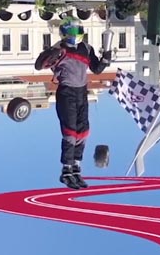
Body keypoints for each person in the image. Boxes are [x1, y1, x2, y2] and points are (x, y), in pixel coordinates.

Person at [35, 17, 112, 189]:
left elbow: (96, 69)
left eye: (77, 31)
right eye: (70, 31)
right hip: (67, 92)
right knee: (70, 132)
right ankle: (66, 170)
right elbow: (39, 65)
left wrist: (106, 58)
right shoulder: (59, 48)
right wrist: (50, 54)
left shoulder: (86, 48)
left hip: (82, 92)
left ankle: (76, 167)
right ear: (64, 33)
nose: (74, 34)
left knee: (83, 131)